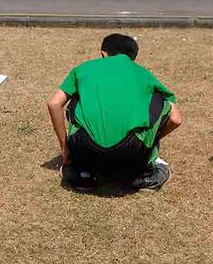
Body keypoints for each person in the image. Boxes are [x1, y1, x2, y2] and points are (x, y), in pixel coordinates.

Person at [46, 34, 183, 192]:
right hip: (132, 151)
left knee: (76, 100)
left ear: (104, 53)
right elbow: (176, 119)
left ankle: (82, 174)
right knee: (158, 102)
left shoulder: (82, 69)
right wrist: (150, 141)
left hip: (86, 148)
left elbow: (54, 103)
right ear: (133, 58)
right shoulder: (144, 74)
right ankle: (147, 175)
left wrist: (65, 147)